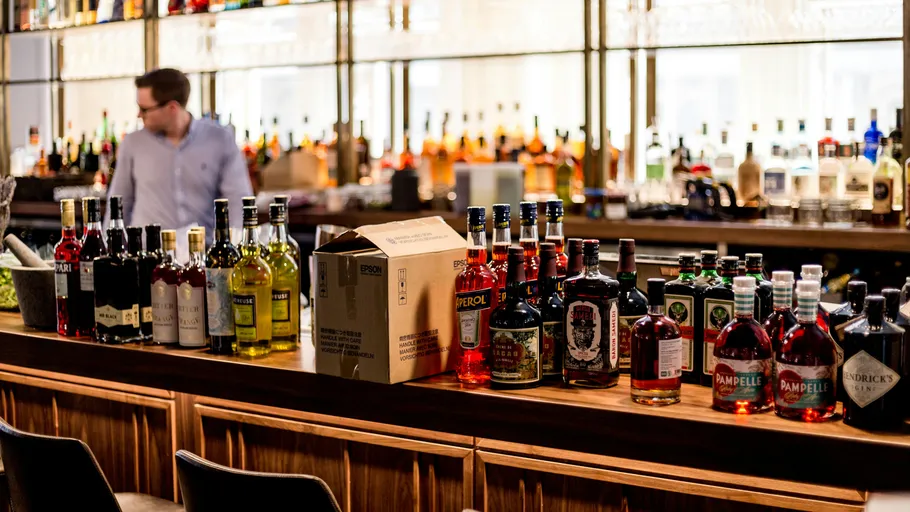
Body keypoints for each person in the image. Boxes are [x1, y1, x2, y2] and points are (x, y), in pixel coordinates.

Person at [106, 68, 252, 257]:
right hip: (147, 257)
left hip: (203, 257)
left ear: (172, 108)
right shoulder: (132, 143)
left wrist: (236, 253)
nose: (138, 115)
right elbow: (119, 202)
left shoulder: (220, 140)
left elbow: (238, 201)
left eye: (144, 109)